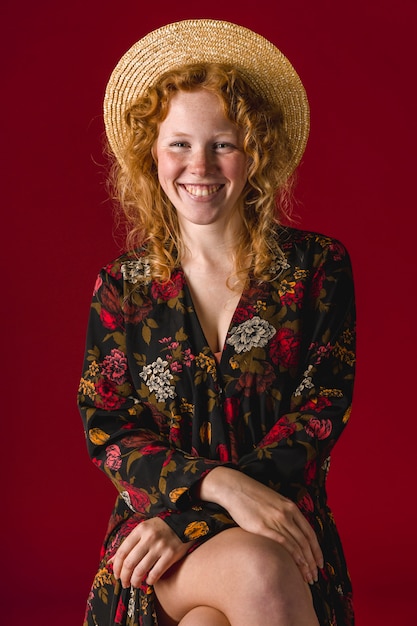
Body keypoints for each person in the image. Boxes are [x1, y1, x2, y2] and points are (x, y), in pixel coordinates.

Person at [78, 19, 356, 626]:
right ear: (150, 153)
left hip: (277, 526)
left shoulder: (317, 268)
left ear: (254, 153)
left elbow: (321, 411)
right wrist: (218, 489)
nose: (198, 164)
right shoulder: (121, 286)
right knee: (258, 572)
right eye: (179, 143)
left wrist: (199, 517)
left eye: (222, 144)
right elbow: (109, 426)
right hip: (153, 547)